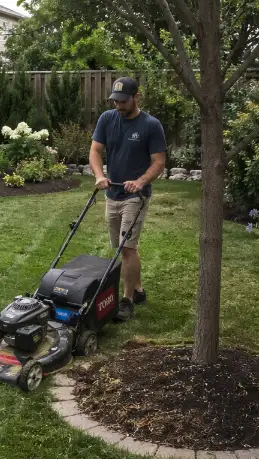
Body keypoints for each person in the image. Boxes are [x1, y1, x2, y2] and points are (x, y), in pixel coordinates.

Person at [89, 77, 166, 321]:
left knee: (127, 248)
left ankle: (127, 300)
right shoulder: (107, 119)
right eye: (116, 101)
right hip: (113, 193)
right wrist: (100, 175)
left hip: (136, 197)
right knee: (121, 247)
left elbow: (159, 162)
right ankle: (139, 290)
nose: (119, 106)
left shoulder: (151, 125)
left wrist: (141, 181)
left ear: (136, 97)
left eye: (123, 101)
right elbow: (95, 151)